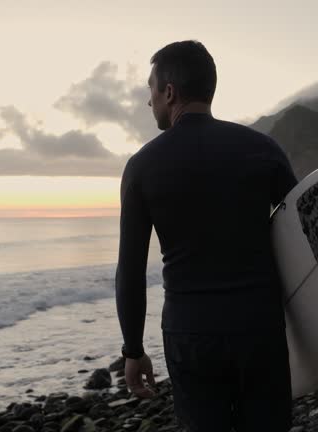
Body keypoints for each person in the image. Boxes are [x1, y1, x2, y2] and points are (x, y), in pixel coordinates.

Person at [115, 40, 298, 432]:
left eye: (151, 90)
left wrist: (133, 350)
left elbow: (129, 270)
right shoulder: (264, 150)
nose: (149, 102)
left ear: (169, 91)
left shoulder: (142, 167)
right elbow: (307, 243)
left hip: (190, 334)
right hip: (259, 328)